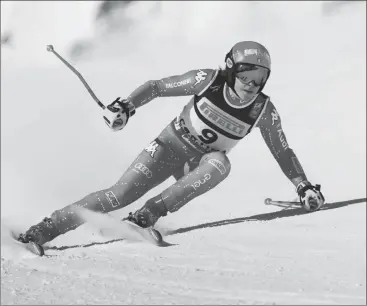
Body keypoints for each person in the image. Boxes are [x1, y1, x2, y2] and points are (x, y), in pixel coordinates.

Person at [18, 41, 325, 246]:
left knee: (220, 163)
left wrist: (304, 186)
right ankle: (42, 231)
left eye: (260, 79)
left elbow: (282, 150)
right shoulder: (208, 80)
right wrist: (125, 107)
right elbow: (157, 87)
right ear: (231, 69)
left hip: (197, 163)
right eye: (247, 76)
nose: (251, 86)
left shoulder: (263, 110)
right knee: (117, 195)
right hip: (168, 145)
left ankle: (144, 217)